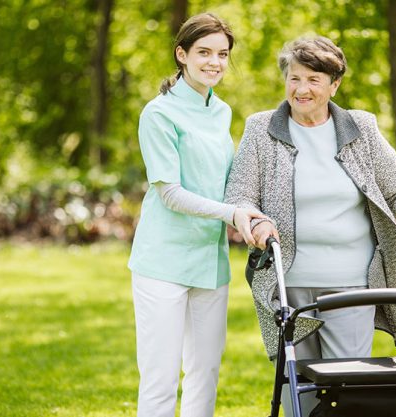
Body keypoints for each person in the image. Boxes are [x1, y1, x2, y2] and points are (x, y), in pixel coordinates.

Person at [225, 36, 396, 415]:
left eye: (313, 80)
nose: (301, 89)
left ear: (335, 84)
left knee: (347, 389)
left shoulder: (359, 128)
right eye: (294, 78)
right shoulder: (261, 129)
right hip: (286, 284)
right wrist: (255, 222)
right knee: (296, 391)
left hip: (352, 284)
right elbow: (240, 195)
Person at [127, 13, 267, 417]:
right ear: (182, 54)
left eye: (222, 54)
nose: (214, 62)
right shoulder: (158, 114)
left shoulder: (221, 111)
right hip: (163, 263)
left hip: (210, 261)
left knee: (205, 372)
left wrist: (251, 212)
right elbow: (170, 193)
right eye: (204, 52)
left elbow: (228, 184)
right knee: (161, 378)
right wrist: (233, 213)